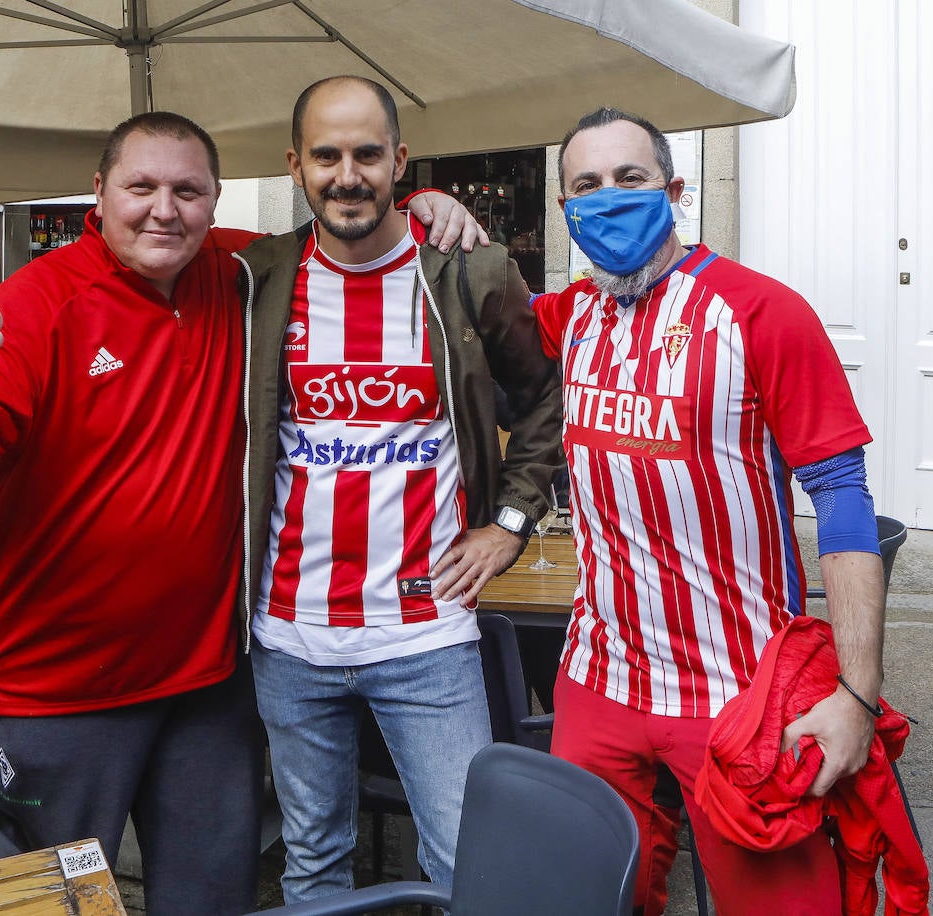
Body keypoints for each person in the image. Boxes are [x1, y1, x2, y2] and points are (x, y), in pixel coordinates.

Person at [0, 110, 481, 915]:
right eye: (140, 187)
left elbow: (348, 224)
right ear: (98, 194)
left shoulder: (239, 274)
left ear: (215, 201)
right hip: (58, 693)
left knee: (211, 898)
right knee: (59, 905)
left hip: (206, 684)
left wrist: (423, 206)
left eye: (187, 191)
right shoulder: (38, 303)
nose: (164, 209)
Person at [531, 107, 886, 916]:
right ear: (565, 211)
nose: (608, 199)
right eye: (586, 186)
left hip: (740, 690)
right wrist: (432, 213)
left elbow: (842, 497)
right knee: (588, 897)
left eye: (631, 178)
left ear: (676, 190)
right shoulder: (570, 317)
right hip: (599, 678)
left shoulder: (762, 312)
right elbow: (470, 304)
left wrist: (857, 695)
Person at [237, 76, 563, 904]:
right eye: (327, 156)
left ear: (399, 162)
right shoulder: (257, 276)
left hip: (427, 640)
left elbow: (545, 403)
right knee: (312, 863)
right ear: (295, 166)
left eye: (368, 155)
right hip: (288, 638)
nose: (348, 175)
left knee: (463, 863)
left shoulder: (470, 274)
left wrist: (512, 522)